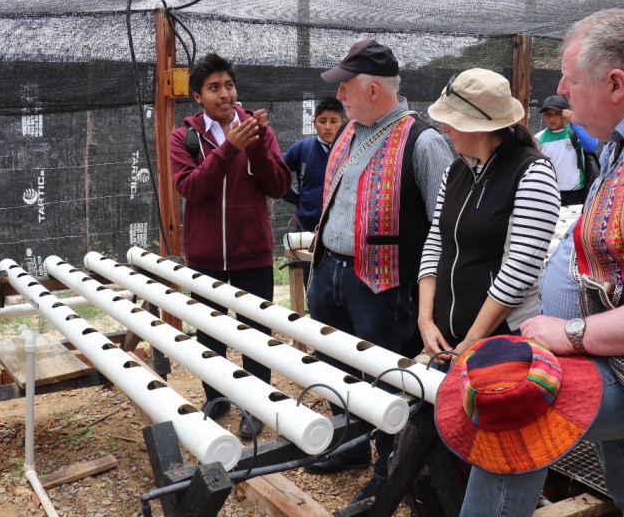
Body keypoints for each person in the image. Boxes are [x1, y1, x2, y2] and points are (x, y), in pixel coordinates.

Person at [454, 9, 624, 516]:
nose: (562, 91)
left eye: (570, 78)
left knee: (514, 415)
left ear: (615, 84)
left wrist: (571, 333)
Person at [303, 39, 453, 503]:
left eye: (346, 87)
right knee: (334, 364)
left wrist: (429, 301)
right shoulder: (351, 130)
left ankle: (393, 468)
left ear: (371, 90)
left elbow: (444, 226)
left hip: (384, 283)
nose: (339, 96)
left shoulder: (424, 141)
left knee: (388, 377)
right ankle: (351, 446)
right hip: (331, 270)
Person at [169, 52, 291, 439]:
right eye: (214, 88)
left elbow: (279, 186)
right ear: (197, 97)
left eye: (229, 85)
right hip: (204, 257)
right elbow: (191, 188)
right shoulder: (183, 137)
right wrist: (228, 150)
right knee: (209, 331)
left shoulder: (258, 131)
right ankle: (217, 398)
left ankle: (255, 404)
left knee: (255, 332)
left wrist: (253, 145)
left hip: (252, 254)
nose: (225, 94)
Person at [417, 69, 560, 367]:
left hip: (501, 339)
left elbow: (519, 270)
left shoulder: (533, 173)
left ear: (479, 128)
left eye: (452, 121)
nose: (445, 129)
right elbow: (435, 243)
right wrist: (426, 320)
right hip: (448, 335)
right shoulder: (455, 171)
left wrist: (470, 343)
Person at [281, 97, 345, 233]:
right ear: (314, 122)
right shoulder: (302, 148)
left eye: (334, 121)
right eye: (322, 121)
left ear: (343, 124)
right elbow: (276, 176)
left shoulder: (350, 150)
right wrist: (299, 199)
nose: (328, 126)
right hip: (307, 226)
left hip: (342, 227)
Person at [534, 95, 598, 205]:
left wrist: (574, 122)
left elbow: (592, 146)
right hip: (549, 194)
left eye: (557, 114)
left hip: (576, 194)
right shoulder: (539, 138)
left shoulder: (575, 132)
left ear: (564, 114)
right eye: (548, 115)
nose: (552, 119)